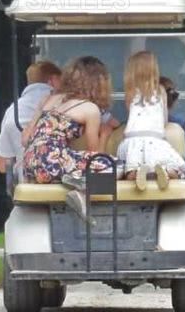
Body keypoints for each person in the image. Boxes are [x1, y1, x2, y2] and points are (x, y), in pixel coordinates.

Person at [21, 56, 116, 221]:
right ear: (99, 84)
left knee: (73, 159)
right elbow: (94, 155)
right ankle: (80, 190)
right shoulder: (90, 109)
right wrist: (105, 135)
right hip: (51, 161)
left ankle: (73, 179)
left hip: (30, 164)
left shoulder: (49, 99)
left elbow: (25, 139)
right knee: (109, 164)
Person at [118, 51, 185, 191]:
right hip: (155, 139)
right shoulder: (161, 91)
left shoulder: (130, 92)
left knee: (129, 171)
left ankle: (136, 173)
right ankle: (166, 172)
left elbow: (131, 115)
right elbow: (164, 119)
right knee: (175, 170)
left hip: (132, 140)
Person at [0, 61, 62, 175]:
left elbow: (2, 165)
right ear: (53, 79)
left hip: (27, 181)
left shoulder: (13, 111)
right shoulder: (67, 104)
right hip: (65, 178)